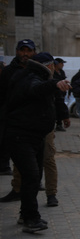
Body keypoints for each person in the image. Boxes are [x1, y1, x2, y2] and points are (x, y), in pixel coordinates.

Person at [0, 52, 71, 233]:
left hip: (35, 136)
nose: (55, 70)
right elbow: (35, 89)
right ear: (48, 66)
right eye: (53, 66)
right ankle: (31, 218)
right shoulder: (30, 78)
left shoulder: (33, 77)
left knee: (33, 176)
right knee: (31, 176)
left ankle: (25, 214)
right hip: (21, 136)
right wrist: (55, 83)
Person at [0, 39, 38, 189]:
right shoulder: (9, 71)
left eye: (28, 51)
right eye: (22, 50)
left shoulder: (37, 70)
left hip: (31, 119)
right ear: (17, 51)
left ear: (34, 52)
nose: (25, 54)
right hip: (11, 117)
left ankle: (31, 180)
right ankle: (7, 169)